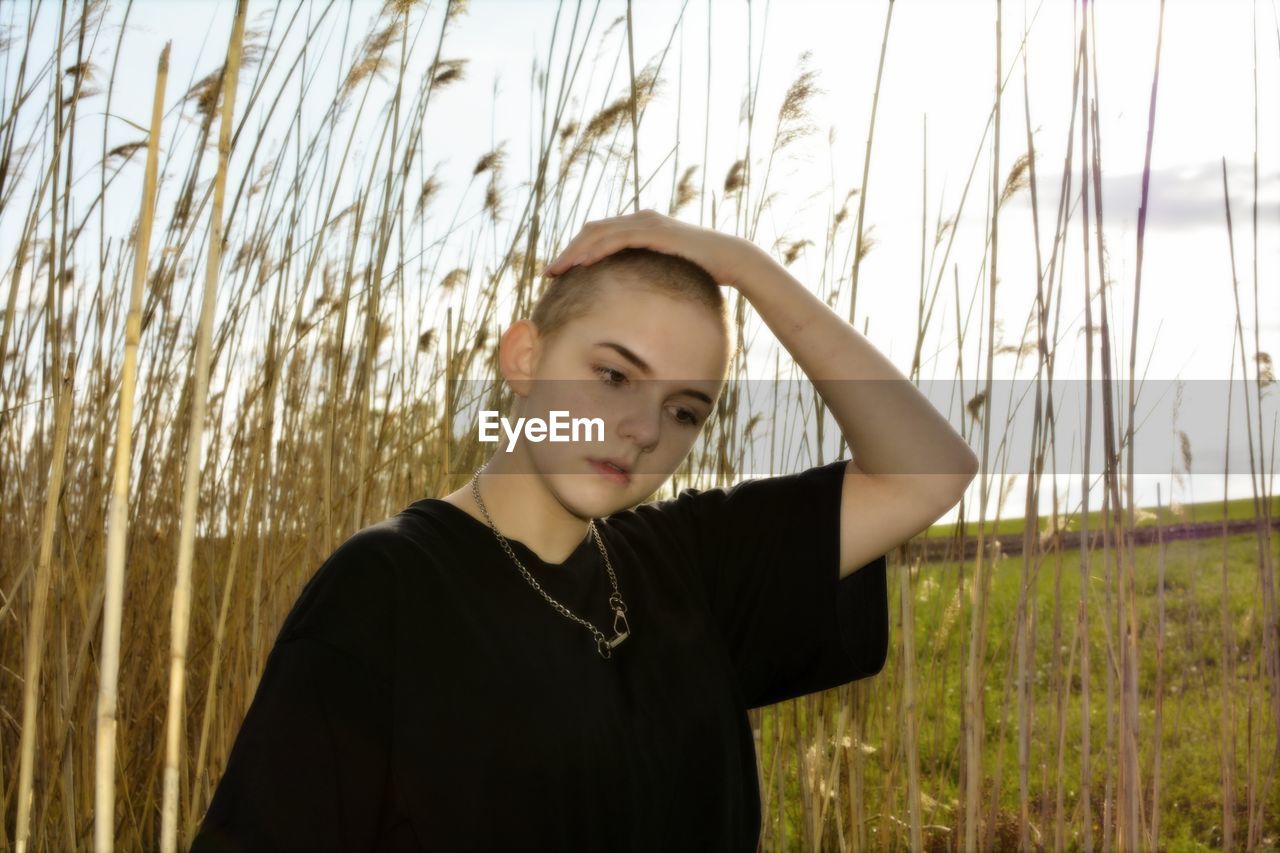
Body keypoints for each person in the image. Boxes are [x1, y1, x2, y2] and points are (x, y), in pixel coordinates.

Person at [190, 210, 978, 852]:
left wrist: (746, 266)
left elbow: (929, 470)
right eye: (613, 375)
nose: (641, 429)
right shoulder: (386, 588)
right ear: (525, 357)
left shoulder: (691, 564)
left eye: (683, 410)